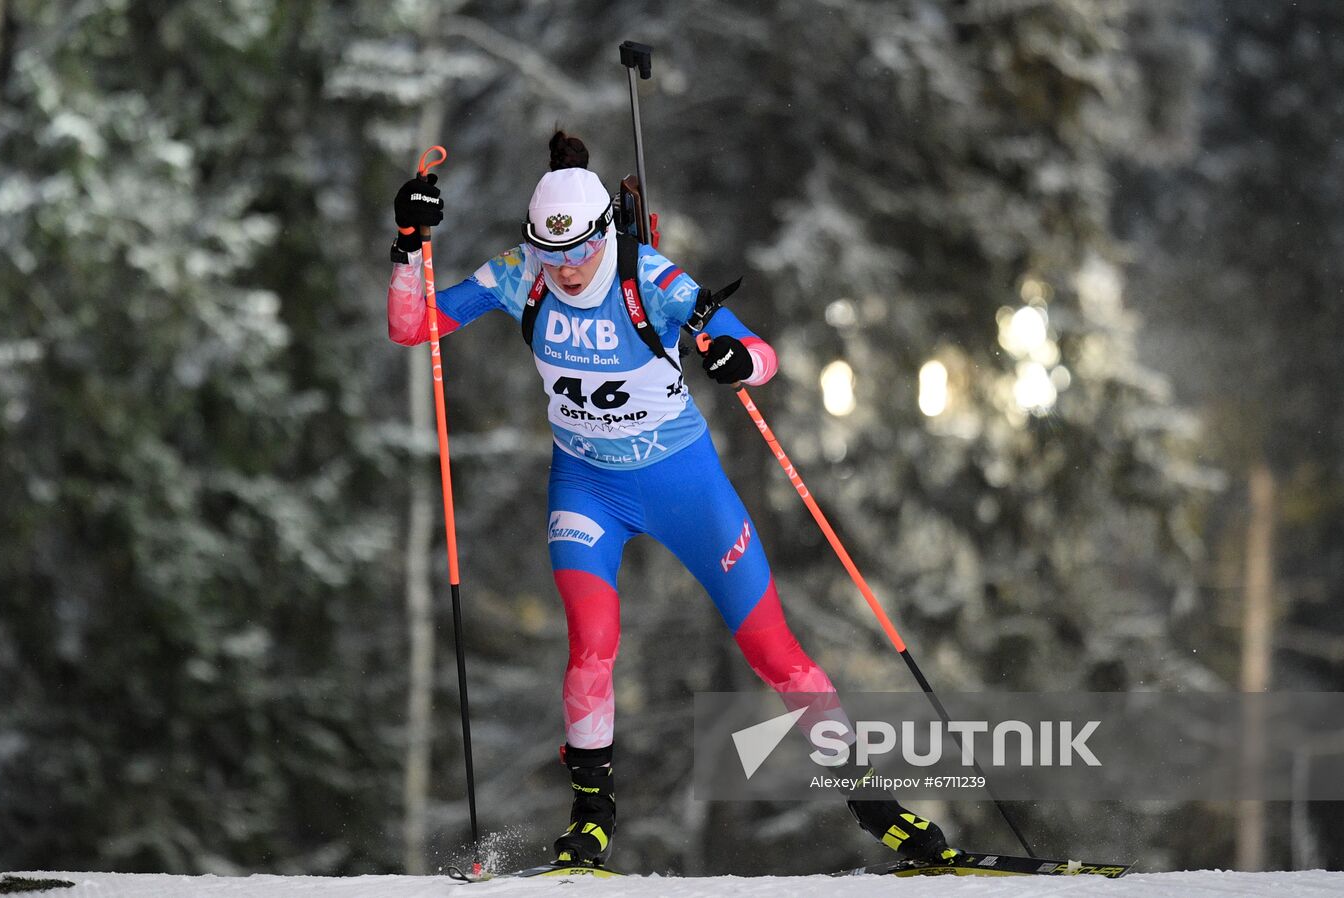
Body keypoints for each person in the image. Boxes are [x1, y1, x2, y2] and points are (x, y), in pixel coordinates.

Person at [386, 131, 956, 867]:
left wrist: (732, 357)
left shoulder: (647, 276)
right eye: (548, 253)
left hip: (684, 484)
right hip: (587, 485)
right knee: (591, 646)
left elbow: (760, 354)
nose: (564, 270)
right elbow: (413, 326)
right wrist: (408, 242)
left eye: (579, 251)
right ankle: (591, 817)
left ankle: (877, 807)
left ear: (602, 234)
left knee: (772, 650)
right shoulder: (515, 273)